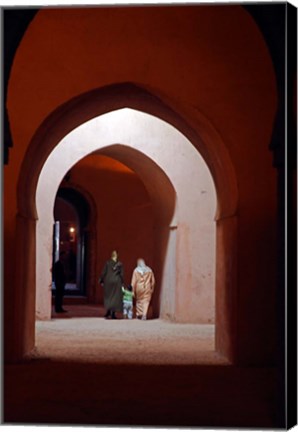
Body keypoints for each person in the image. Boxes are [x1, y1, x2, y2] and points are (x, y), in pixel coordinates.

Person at [99, 250, 124, 319]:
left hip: (108, 281)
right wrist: (122, 283)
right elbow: (121, 274)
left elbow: (104, 272)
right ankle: (113, 313)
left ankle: (108, 312)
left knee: (108, 297)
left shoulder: (107, 263)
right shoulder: (120, 264)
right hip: (116, 281)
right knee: (115, 298)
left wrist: (101, 280)